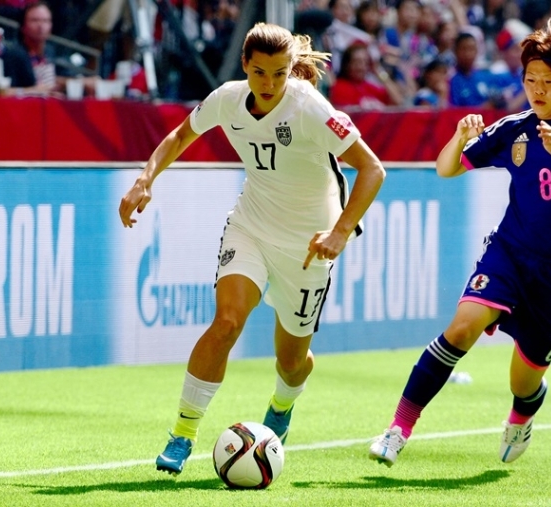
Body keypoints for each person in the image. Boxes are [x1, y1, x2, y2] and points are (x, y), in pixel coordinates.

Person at [119, 22, 386, 476]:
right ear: (245, 65)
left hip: (308, 245)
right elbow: (180, 135)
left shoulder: (309, 108)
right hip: (251, 226)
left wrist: (340, 232)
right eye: (261, 73)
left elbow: (372, 168)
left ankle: (281, 407)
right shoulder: (226, 97)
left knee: (292, 361)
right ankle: (182, 435)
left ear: (290, 71)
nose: (270, 85)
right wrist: (145, 179)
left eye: (280, 74)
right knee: (226, 322)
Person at [368, 19, 551, 467]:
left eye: (548, 82)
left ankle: (522, 415)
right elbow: (446, 169)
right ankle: (396, 430)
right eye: (530, 80)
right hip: (510, 253)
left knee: (524, 380)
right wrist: (459, 138)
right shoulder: (515, 128)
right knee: (461, 328)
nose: (536, 90)